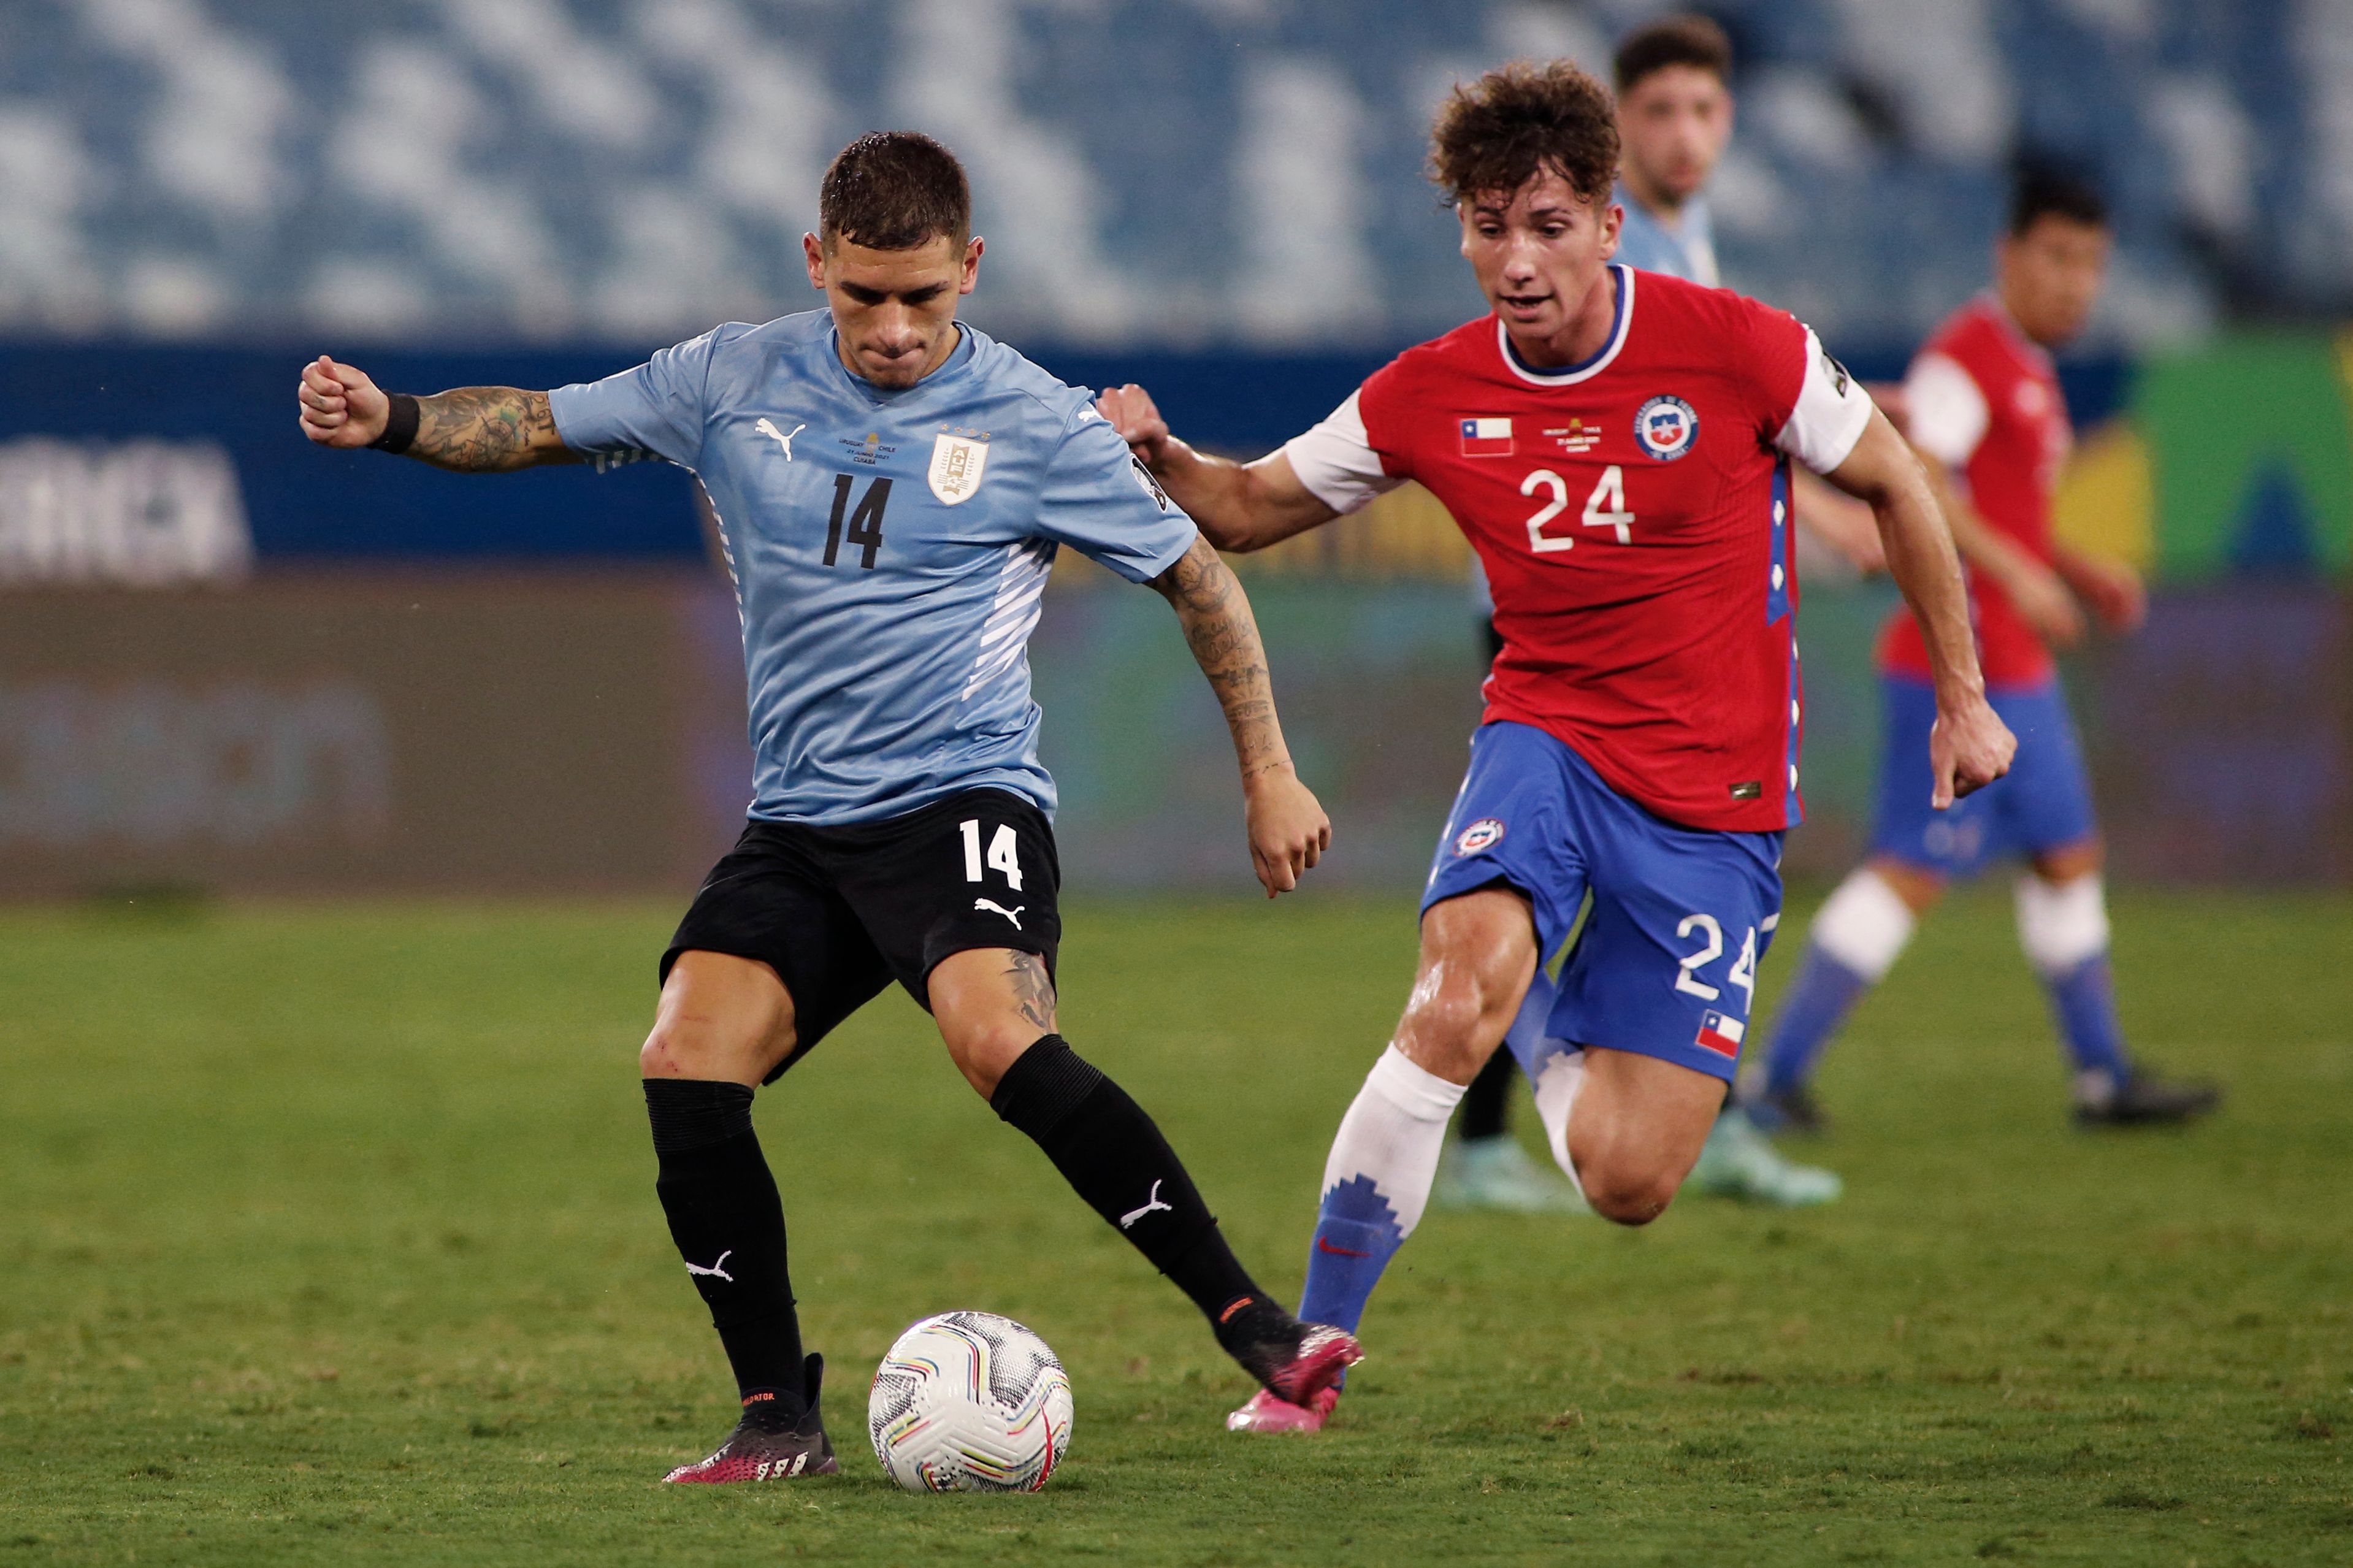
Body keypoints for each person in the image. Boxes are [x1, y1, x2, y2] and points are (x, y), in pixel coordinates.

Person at [295, 131, 1361, 1483]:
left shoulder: (1035, 420)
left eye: (924, 296)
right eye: (865, 297)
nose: (898, 328)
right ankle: (774, 1414)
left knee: (993, 1034)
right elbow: (541, 424)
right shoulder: (729, 376)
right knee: (684, 1056)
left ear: (971, 270)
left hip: (963, 798)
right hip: (801, 826)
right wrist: (387, 418)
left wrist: (1266, 769)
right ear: (817, 265)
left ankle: (1252, 1320)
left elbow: (1199, 581)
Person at [1100, 61, 2014, 1433]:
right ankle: (1306, 1359)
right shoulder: (1426, 391)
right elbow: (1243, 510)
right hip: (1544, 738)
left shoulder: (1740, 346)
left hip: (1714, 798)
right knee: (1446, 997)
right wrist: (1159, 452)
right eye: (1485, 227)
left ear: (1604, 221)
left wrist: (1961, 694)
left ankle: (1539, 1005)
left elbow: (1892, 480)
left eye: (1542, 225)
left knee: (1626, 1181)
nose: (1512, 261)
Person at [1444, 14, 1867, 1214]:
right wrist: (1835, 524)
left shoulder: (1688, 242)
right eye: (1658, 114)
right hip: (1572, 616)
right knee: (1577, 890)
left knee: (1591, 894)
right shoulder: (1624, 267)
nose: (1682, 134)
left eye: (1703, 111)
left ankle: (1654, 1122)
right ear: (1616, 136)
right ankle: (1525, 1137)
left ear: (1727, 122)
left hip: (1648, 622)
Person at [1745, 170, 2222, 1133]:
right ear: (2007, 257)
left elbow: (2002, 508)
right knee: (1910, 869)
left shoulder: (2026, 368)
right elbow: (1922, 486)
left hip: (2020, 673)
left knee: (2064, 854)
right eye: (2056, 257)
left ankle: (2100, 1076)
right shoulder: (1961, 363)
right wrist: (2023, 575)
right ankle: (1771, 1079)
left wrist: (2075, 568)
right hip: (1949, 666)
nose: (2075, 281)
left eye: (2091, 263)